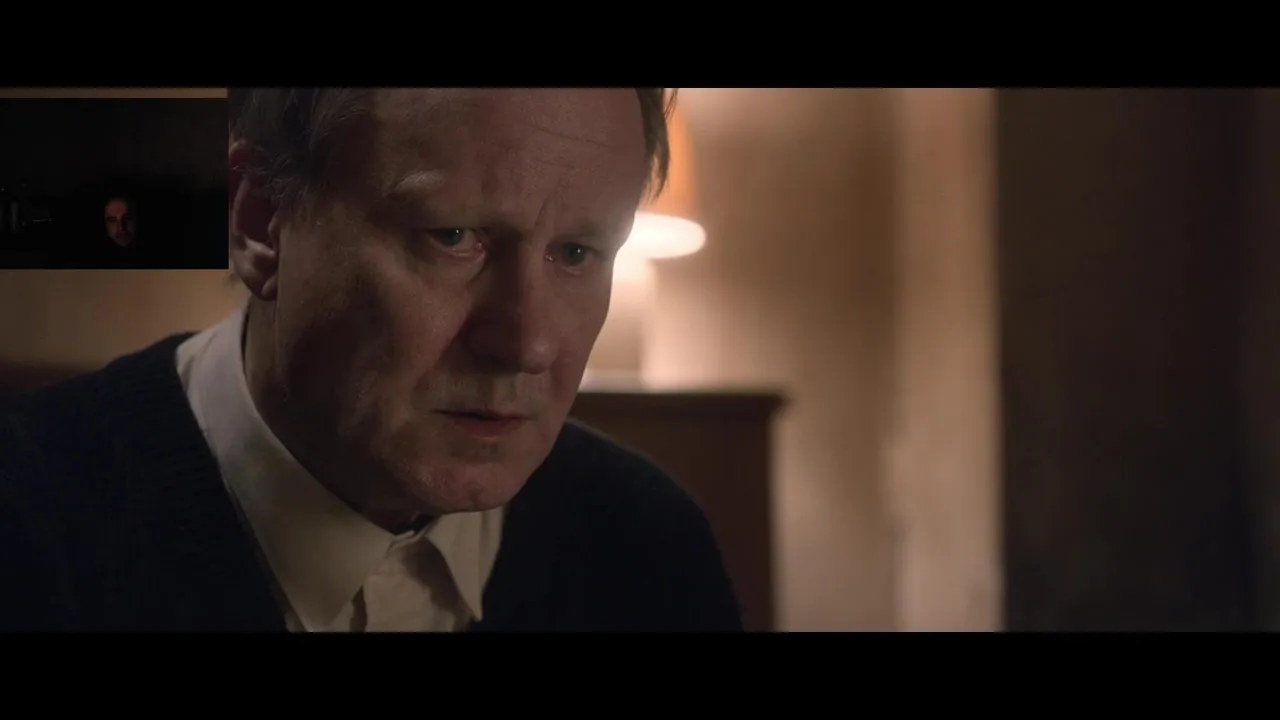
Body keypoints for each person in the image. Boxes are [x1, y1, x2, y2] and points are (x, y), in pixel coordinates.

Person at [0, 88, 743, 632]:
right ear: (260, 221)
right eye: (452, 236)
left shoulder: (649, 548)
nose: (527, 344)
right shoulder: (29, 525)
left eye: (577, 253)